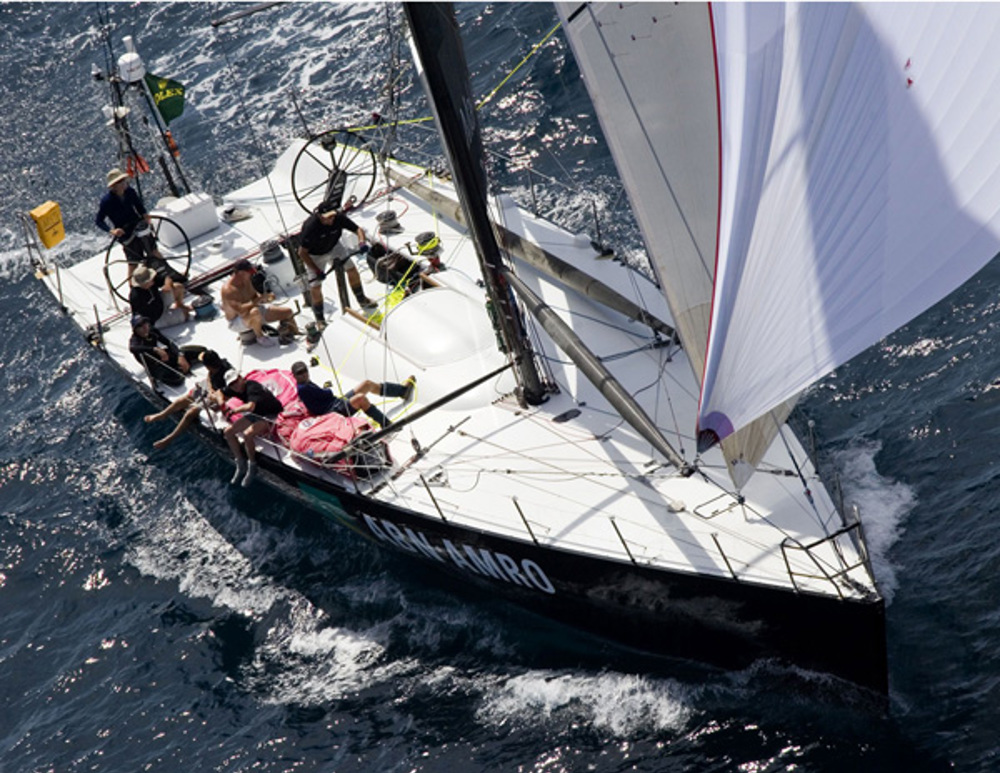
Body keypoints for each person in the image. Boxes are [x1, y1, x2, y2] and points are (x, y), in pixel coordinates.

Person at [96, 168, 190, 313]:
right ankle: (133, 291)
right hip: (126, 235)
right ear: (114, 186)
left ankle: (170, 275)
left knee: (154, 252)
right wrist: (112, 231)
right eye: (121, 182)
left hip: (139, 227)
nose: (124, 183)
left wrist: (145, 214)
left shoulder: (130, 192)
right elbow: (99, 221)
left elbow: (139, 206)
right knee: (132, 262)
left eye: (124, 180)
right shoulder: (106, 201)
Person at [298, 200, 376, 326]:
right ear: (319, 215)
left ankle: (362, 299)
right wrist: (317, 270)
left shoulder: (339, 218)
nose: (331, 219)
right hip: (315, 256)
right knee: (315, 287)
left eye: (333, 216)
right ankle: (320, 320)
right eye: (327, 218)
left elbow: (358, 229)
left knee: (352, 269)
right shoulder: (310, 227)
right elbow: (302, 253)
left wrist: (361, 242)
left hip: (334, 246)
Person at [144, 349, 232, 449]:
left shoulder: (226, 375)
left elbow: (227, 394)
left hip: (219, 396)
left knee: (191, 412)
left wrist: (212, 394)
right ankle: (162, 414)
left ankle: (170, 438)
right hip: (211, 389)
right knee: (186, 398)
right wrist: (210, 388)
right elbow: (209, 376)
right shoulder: (213, 369)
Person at [290, 360, 414, 429]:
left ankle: (402, 391)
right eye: (300, 373)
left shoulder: (306, 383)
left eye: (304, 371)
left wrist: (325, 393)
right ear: (295, 376)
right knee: (361, 399)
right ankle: (386, 424)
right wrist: (326, 391)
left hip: (336, 403)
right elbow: (327, 395)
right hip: (331, 413)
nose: (304, 374)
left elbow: (324, 395)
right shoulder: (303, 388)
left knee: (367, 384)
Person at [221, 370, 284, 486]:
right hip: (256, 414)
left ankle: (252, 464)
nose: (235, 385)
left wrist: (234, 411)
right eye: (232, 384)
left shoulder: (252, 387)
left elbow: (250, 406)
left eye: (236, 381)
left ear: (241, 378)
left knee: (247, 434)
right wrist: (219, 401)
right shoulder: (234, 389)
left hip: (270, 415)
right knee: (228, 432)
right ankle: (240, 462)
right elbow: (220, 392)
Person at [220, 259, 298, 347]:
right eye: (249, 272)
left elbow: (254, 296)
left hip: (254, 310)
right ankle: (260, 337)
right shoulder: (228, 290)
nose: (252, 274)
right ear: (240, 273)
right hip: (238, 320)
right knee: (255, 312)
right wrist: (259, 299)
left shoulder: (247, 280)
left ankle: (295, 332)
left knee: (288, 312)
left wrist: (266, 298)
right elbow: (240, 310)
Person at [128, 315, 190, 386]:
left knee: (199, 351)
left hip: (164, 358)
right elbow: (132, 348)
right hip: (155, 367)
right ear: (135, 330)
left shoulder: (152, 331)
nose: (144, 327)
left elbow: (168, 342)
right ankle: (180, 368)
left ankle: (182, 365)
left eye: (145, 323)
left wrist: (179, 355)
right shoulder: (135, 341)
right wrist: (154, 349)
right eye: (140, 326)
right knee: (177, 380)